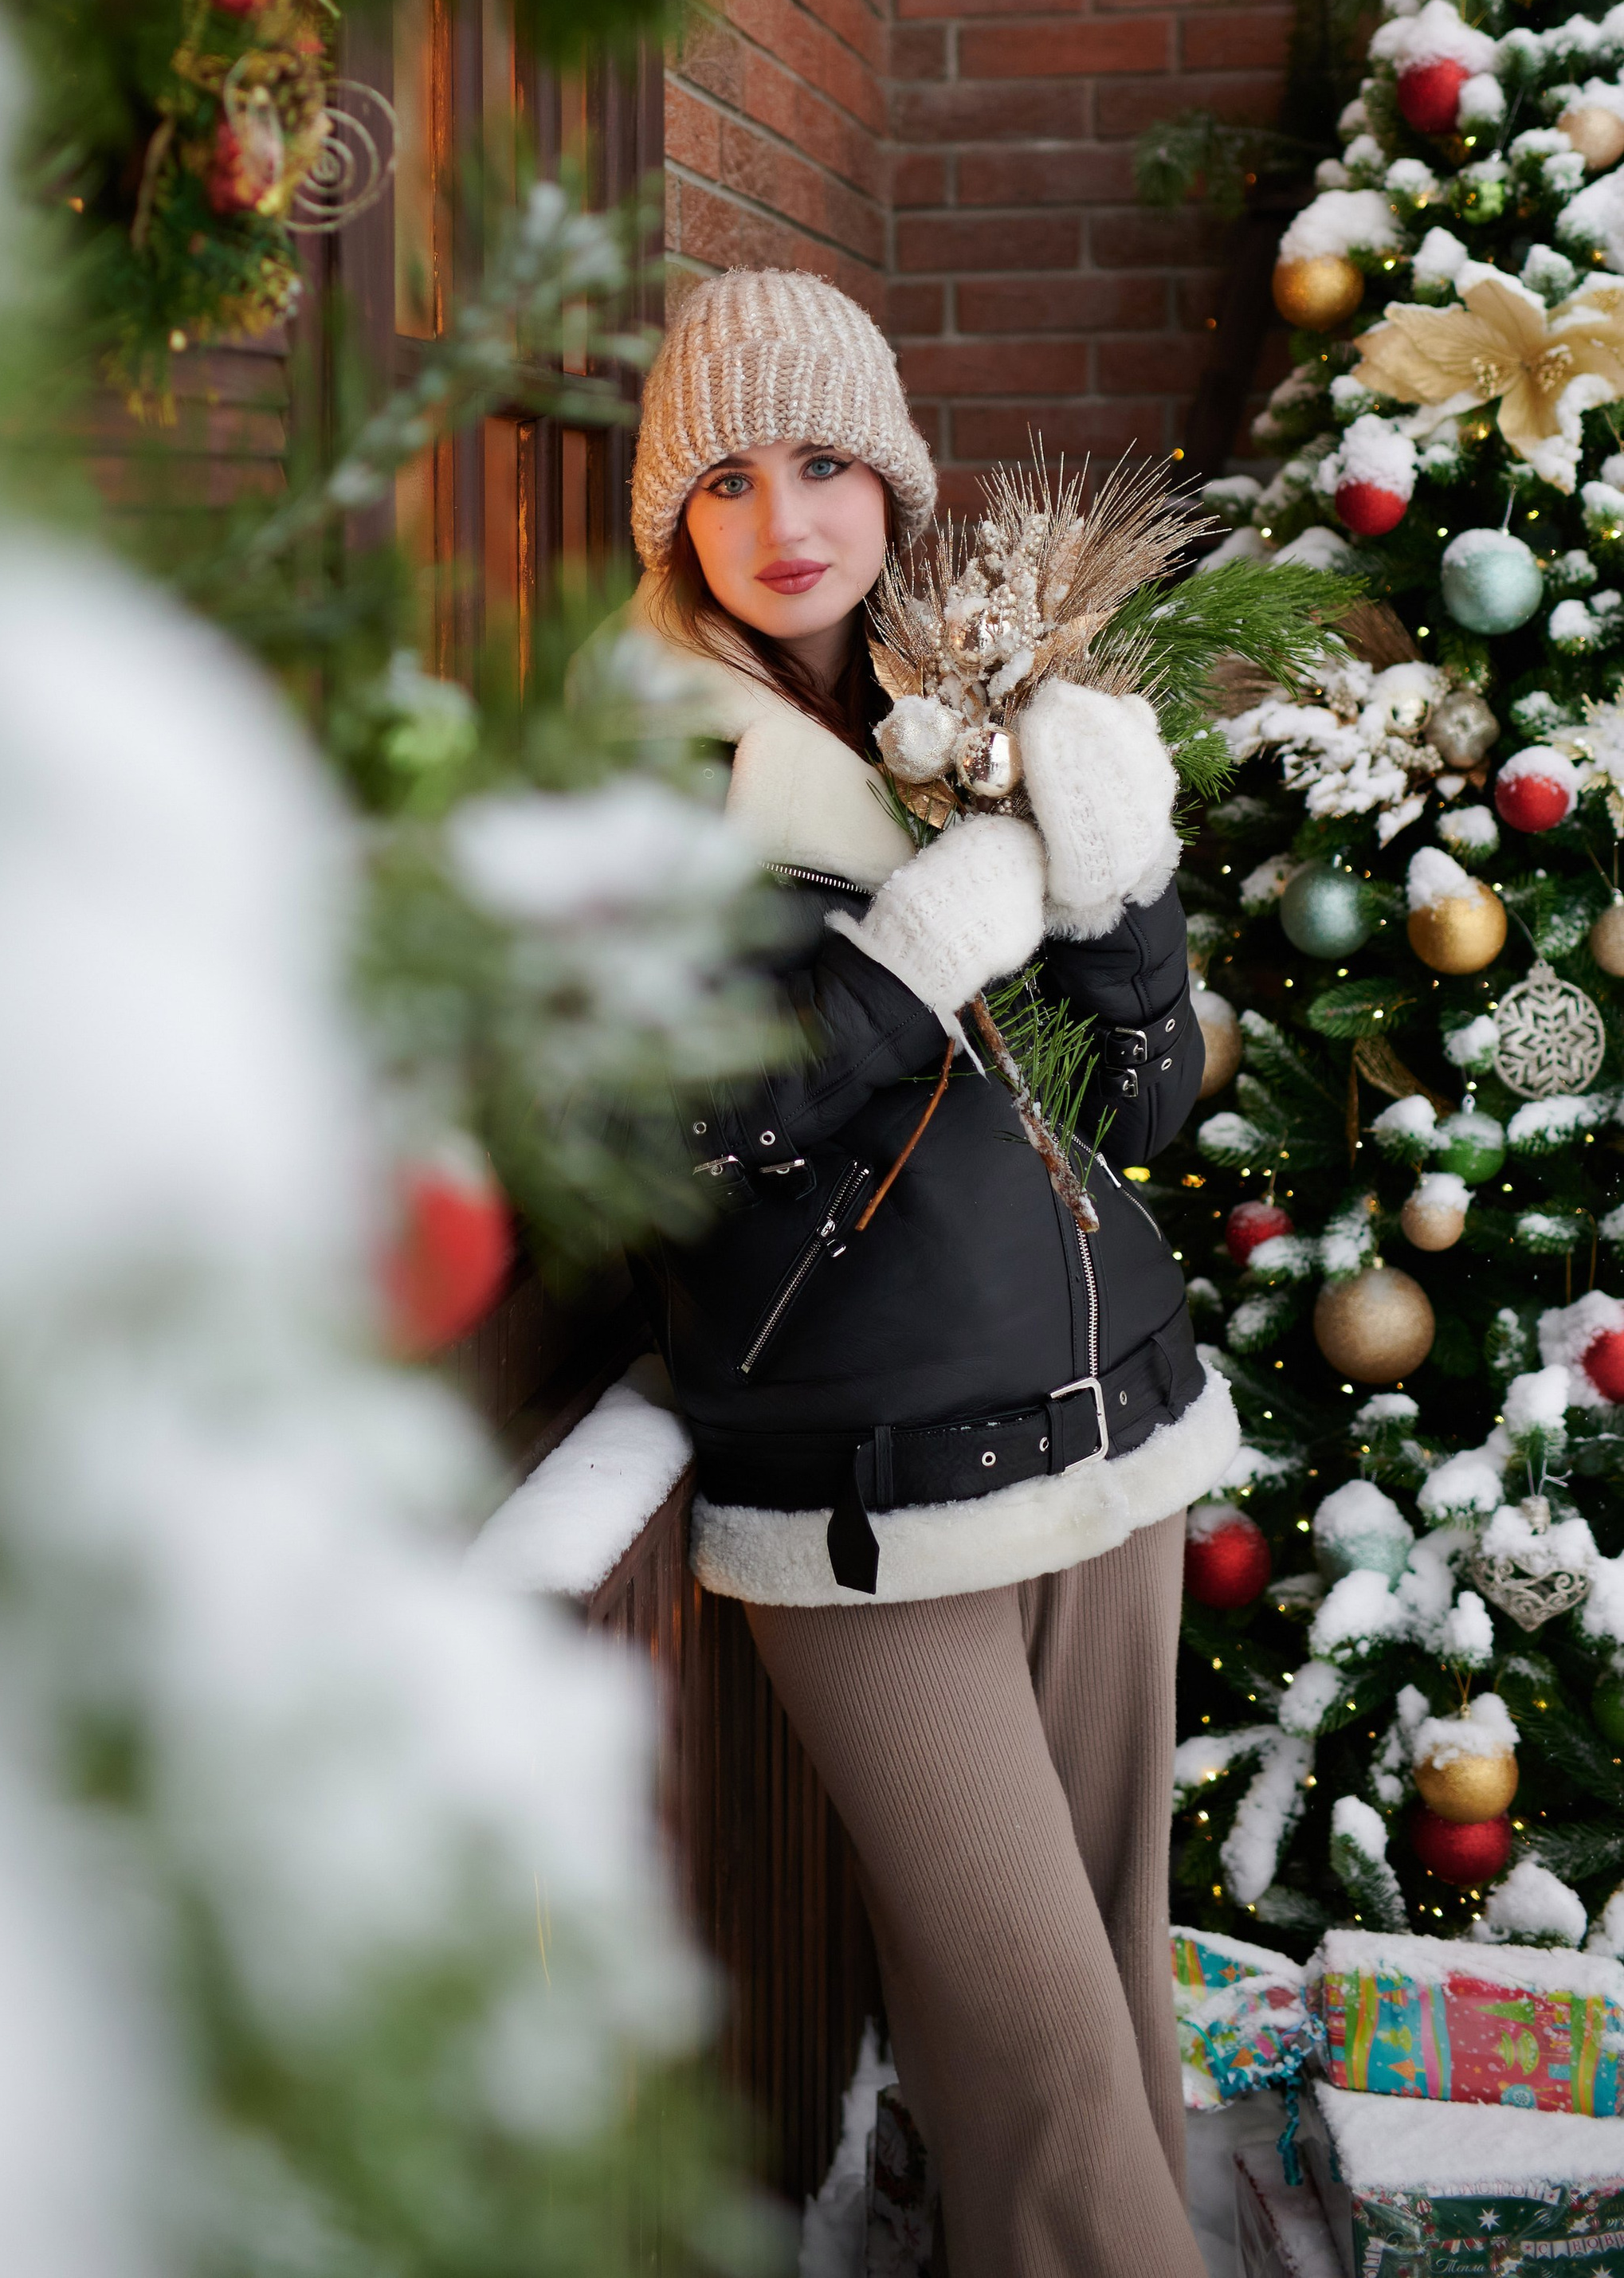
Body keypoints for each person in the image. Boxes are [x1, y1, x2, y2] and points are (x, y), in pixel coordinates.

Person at [616, 266, 1236, 2278]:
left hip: (1108, 1425)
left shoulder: (968, 708)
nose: (781, 518)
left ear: (891, 483)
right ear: (671, 522)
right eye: (723, 480)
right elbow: (650, 1148)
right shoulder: (639, 772)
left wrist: (1121, 895)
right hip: (869, 1495)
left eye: (821, 463)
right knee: (1041, 2066)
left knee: (1114, 2006)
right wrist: (890, 968)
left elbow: (1135, 1101)